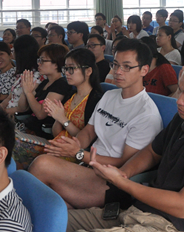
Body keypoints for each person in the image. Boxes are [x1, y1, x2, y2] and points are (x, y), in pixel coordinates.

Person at [66, 58, 184, 232]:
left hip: (172, 225)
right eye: (181, 91)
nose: (179, 100)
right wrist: (124, 172)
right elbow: (153, 152)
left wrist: (122, 182)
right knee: (53, 220)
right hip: (139, 211)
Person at [28, 39, 163, 210]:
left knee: (42, 165)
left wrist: (78, 154)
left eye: (127, 67)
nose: (118, 72)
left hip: (110, 181)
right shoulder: (109, 96)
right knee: (52, 203)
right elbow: (89, 132)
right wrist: (76, 144)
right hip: (87, 168)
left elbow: (124, 162)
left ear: (144, 69)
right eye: (115, 65)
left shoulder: (146, 114)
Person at [43, 48, 104, 160]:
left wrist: (63, 120)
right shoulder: (70, 95)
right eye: (65, 68)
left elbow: (86, 140)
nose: (66, 73)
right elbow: (56, 132)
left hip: (75, 154)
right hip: (56, 147)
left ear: (88, 71)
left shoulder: (96, 100)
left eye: (71, 68)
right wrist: (57, 117)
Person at [16, 44, 70, 137]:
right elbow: (22, 108)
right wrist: (25, 91)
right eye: (39, 60)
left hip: (40, 133)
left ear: (56, 64)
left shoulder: (61, 84)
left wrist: (29, 93)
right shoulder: (45, 82)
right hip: (27, 128)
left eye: (43, 61)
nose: (39, 63)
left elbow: (41, 114)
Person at [1, 35, 43, 115]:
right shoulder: (23, 73)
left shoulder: (35, 76)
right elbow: (10, 97)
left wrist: (1, 113)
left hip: (15, 116)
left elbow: (23, 108)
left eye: (14, 50)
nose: (12, 53)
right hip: (6, 111)